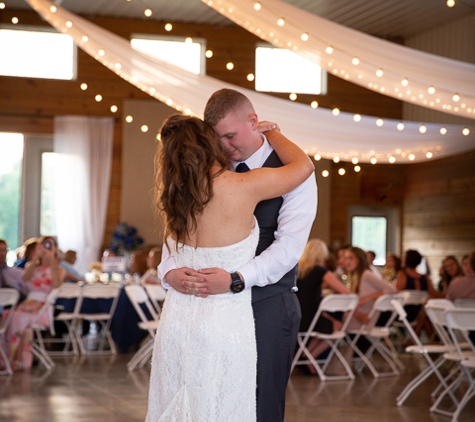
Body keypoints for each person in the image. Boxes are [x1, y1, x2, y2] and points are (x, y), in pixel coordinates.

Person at [157, 89, 317, 422]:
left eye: (230, 135)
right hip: (206, 310)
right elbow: (176, 235)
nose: (226, 147)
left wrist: (237, 280)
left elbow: (288, 248)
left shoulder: (287, 172)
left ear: (253, 121)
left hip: (266, 302)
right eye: (217, 139)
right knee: (207, 403)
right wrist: (168, 270)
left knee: (259, 408)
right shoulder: (208, 170)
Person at [7, 236, 65, 371]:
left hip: (43, 307)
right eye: (43, 245)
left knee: (19, 318)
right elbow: (25, 278)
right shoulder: (31, 266)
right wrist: (34, 259)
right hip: (28, 303)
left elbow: (56, 285)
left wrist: (52, 262)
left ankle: (18, 358)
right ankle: (9, 357)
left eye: (49, 245)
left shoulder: (59, 269)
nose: (46, 248)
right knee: (7, 316)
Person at [296, 239, 349, 374]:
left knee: (326, 322)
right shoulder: (320, 270)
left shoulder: (297, 268)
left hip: (296, 317)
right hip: (310, 319)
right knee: (338, 325)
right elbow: (345, 292)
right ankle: (310, 356)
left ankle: (305, 353)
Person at [345, 246, 396, 332]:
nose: (347, 262)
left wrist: (368, 297)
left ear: (359, 260)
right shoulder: (355, 276)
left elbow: (392, 290)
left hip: (367, 320)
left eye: (351, 258)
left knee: (331, 319)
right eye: (346, 258)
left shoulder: (366, 274)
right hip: (358, 316)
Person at [396, 249, 444, 340]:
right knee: (425, 312)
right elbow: (434, 293)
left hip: (402, 314)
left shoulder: (402, 277)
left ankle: (414, 339)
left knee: (424, 310)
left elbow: (395, 295)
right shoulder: (425, 278)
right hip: (418, 314)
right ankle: (427, 339)